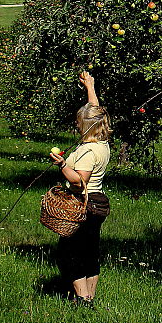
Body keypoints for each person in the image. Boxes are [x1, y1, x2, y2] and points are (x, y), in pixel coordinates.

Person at [49, 71, 111, 307]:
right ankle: (90, 297)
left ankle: (83, 300)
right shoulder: (102, 142)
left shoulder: (87, 152)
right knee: (90, 251)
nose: (76, 124)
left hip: (83, 205)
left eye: (79, 122)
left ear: (86, 126)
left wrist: (62, 164)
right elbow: (96, 111)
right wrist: (90, 87)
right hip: (99, 202)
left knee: (70, 253)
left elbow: (78, 182)